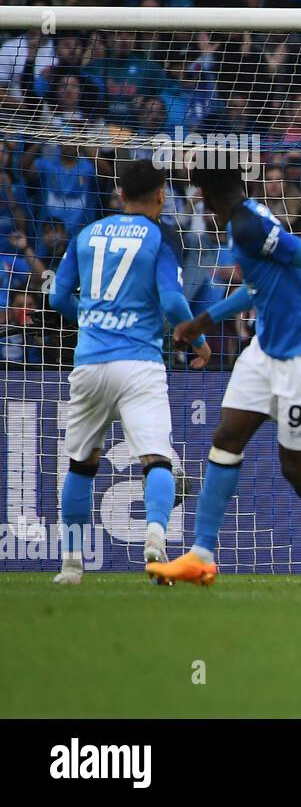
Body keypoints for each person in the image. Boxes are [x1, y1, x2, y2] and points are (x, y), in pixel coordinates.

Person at [146, 158, 301, 586]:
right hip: (265, 349)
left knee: (297, 468)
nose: (199, 202)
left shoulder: (249, 225)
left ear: (209, 195)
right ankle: (201, 555)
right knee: (227, 437)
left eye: (200, 195)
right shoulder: (251, 216)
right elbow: (260, 286)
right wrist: (206, 320)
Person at [47, 160, 212, 584]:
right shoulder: (159, 236)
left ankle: (70, 564)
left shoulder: (87, 234)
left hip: (90, 362)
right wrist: (197, 341)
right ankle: (155, 537)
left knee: (81, 463)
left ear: (120, 195)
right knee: (157, 458)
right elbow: (174, 304)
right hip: (139, 362)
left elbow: (58, 296)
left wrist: (91, 318)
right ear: (161, 195)